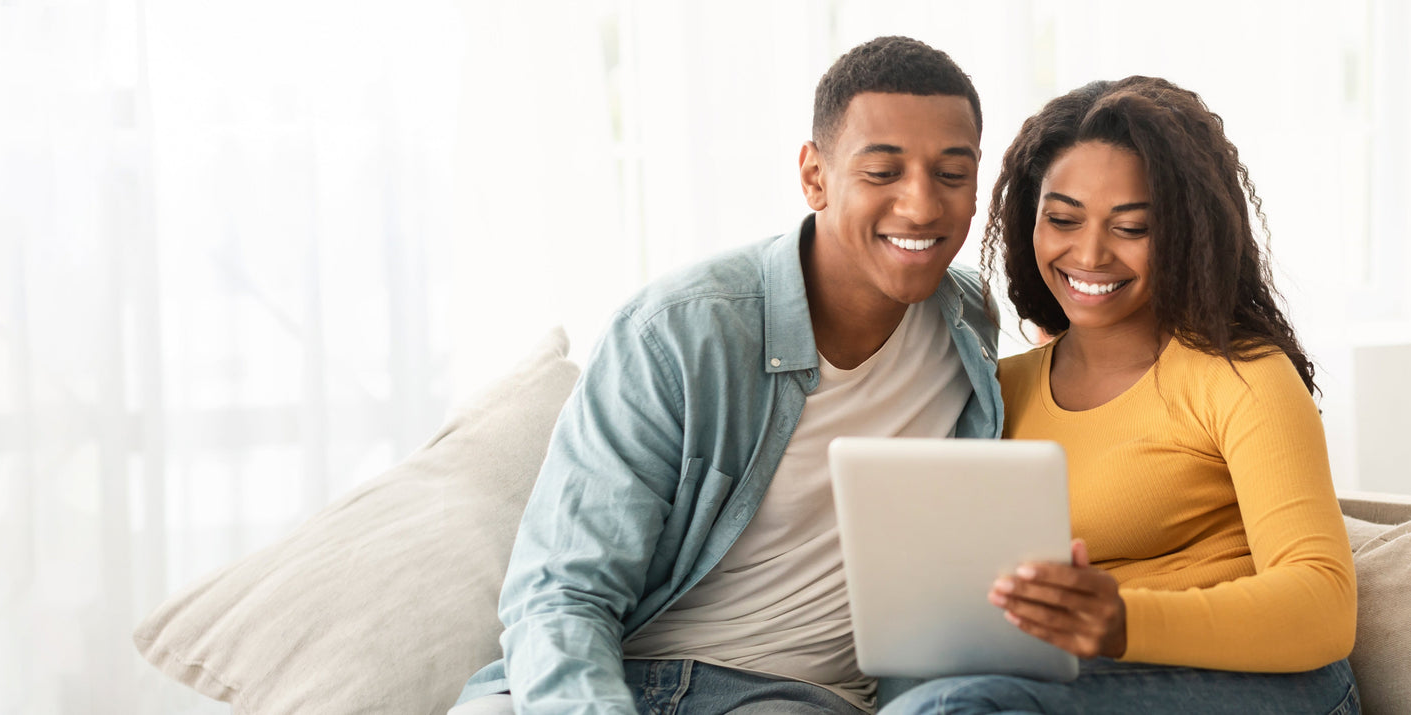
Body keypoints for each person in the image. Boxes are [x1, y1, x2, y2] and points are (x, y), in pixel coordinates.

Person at [450, 36, 1003, 714]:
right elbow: (562, 591)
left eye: (952, 174)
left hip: (786, 695)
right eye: (883, 172)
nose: (921, 206)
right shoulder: (678, 331)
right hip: (611, 671)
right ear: (815, 176)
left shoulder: (968, 325)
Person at [878, 76, 1359, 713]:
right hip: (1076, 678)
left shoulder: (1241, 375)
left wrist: (1123, 621)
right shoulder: (1002, 390)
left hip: (1273, 685)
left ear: (1188, 234)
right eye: (1063, 220)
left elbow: (1323, 607)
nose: (1090, 253)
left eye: (1131, 228)